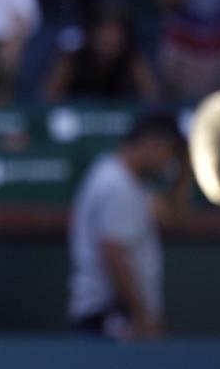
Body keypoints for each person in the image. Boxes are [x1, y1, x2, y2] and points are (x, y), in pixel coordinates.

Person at [67, 113, 191, 341]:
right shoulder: (118, 185)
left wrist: (185, 170)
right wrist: (142, 314)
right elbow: (113, 251)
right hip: (110, 318)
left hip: (110, 317)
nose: (168, 162)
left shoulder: (127, 180)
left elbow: (172, 216)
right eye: (169, 152)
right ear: (153, 144)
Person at [42, 2, 159, 103]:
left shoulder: (133, 58)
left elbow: (154, 101)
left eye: (114, 44)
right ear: (92, 35)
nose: (108, 50)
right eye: (104, 42)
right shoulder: (73, 56)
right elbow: (47, 101)